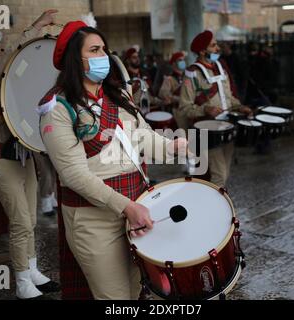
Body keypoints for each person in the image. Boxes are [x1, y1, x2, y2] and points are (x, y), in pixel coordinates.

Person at [39, 21, 187, 299]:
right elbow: (73, 174)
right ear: (75, 59)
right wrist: (126, 208)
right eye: (94, 50)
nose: (104, 56)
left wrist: (172, 147)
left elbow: (142, 136)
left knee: (137, 290)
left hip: (137, 205)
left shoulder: (117, 95)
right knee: (114, 297)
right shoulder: (57, 108)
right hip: (94, 219)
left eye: (104, 49)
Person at [0, 10, 60, 299]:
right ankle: (22, 281)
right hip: (2, 162)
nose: (0, 54)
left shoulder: (8, 88)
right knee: (21, 221)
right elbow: (14, 54)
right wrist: (36, 26)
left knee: (31, 221)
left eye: (0, 50)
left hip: (23, 158)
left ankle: (31, 270)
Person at [179, 30, 252, 187]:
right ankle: (216, 209)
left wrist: (240, 107)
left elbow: (229, 98)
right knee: (220, 175)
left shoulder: (220, 68)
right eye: (213, 45)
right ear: (202, 50)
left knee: (224, 173)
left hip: (227, 126)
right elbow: (184, 107)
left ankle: (218, 206)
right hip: (207, 131)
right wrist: (205, 110)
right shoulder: (192, 73)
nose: (217, 48)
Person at [158, 52, 187, 129]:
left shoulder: (187, 77)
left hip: (188, 112)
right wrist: (178, 99)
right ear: (174, 63)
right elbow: (163, 94)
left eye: (183, 60)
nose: (183, 62)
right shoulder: (169, 79)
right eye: (180, 60)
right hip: (177, 113)